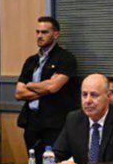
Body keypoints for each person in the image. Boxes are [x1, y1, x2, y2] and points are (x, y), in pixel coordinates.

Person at [15, 16, 78, 154]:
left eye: (44, 32)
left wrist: (30, 85)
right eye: (37, 32)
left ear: (56, 34)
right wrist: (44, 86)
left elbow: (53, 87)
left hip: (54, 123)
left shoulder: (65, 58)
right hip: (32, 122)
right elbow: (19, 93)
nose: (39, 36)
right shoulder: (31, 61)